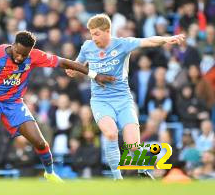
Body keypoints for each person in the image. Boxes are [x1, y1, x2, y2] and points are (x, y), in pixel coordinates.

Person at [0, 30, 115, 182]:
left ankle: (49, 173)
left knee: (40, 142)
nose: (19, 57)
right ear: (13, 45)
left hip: (14, 102)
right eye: (17, 52)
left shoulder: (33, 56)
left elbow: (63, 62)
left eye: (24, 55)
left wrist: (95, 75)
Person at [67, 14, 185, 180]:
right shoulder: (87, 46)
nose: (93, 38)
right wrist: (73, 71)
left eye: (97, 34)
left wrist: (167, 39)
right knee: (111, 134)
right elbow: (78, 65)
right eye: (91, 33)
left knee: (133, 145)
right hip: (101, 101)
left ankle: (142, 170)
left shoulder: (122, 44)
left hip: (123, 100)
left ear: (108, 31)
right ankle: (117, 178)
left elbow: (148, 41)